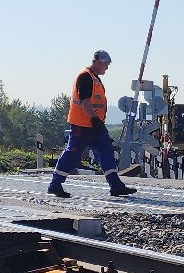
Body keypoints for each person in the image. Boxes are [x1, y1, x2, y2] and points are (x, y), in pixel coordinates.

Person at [46, 50, 136, 198]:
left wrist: (97, 122)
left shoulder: (95, 79)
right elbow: (85, 102)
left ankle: (116, 185)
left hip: (95, 126)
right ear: (98, 62)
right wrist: (94, 119)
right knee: (72, 154)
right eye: (106, 65)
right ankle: (55, 184)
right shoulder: (85, 77)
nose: (107, 68)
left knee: (106, 152)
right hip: (82, 125)